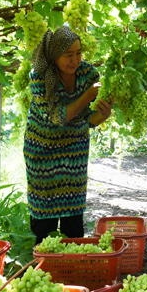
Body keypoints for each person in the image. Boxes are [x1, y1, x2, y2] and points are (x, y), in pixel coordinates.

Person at [24, 26, 114, 245]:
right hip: (43, 153)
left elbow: (88, 120)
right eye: (68, 55)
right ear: (54, 56)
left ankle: (73, 264)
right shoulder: (39, 77)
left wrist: (103, 114)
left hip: (74, 151)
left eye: (78, 53)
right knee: (44, 218)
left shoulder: (89, 74)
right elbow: (57, 117)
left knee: (73, 218)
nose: (75, 59)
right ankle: (43, 262)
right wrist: (88, 95)